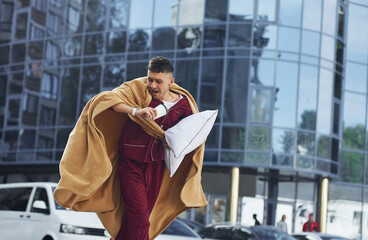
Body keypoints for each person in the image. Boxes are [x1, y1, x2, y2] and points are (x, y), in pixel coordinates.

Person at [53, 56, 208, 240]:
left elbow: (189, 135)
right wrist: (135, 111)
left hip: (157, 167)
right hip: (130, 165)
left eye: (159, 81)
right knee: (140, 220)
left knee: (139, 220)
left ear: (171, 82)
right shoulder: (138, 90)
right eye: (150, 79)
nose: (153, 85)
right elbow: (105, 101)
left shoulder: (184, 105)